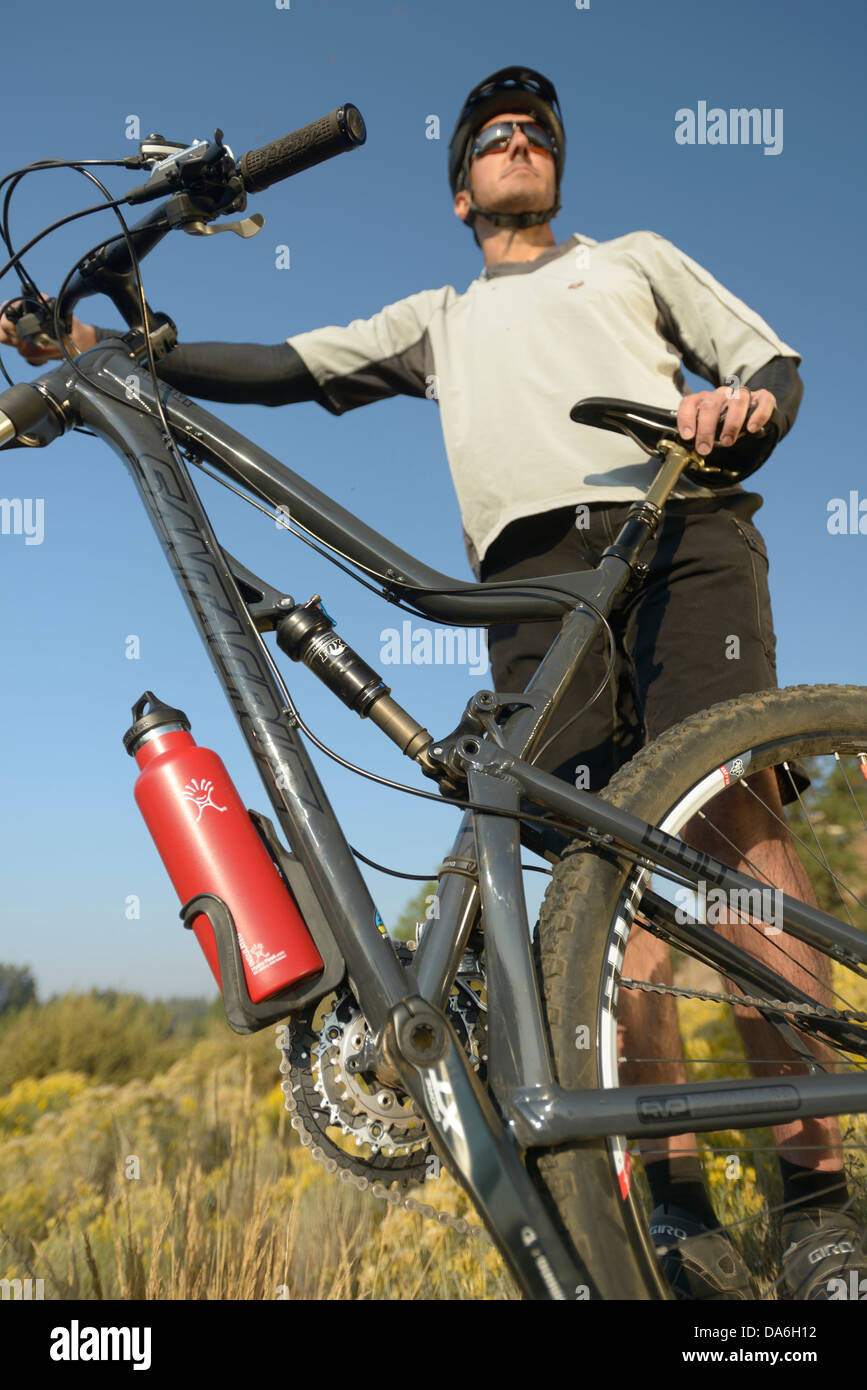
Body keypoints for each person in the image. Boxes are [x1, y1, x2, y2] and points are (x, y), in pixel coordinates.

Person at [1, 66, 860, 1301]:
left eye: (535, 132)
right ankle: (675, 1208)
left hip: (675, 529)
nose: (517, 141)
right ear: (461, 192)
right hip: (528, 581)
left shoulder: (629, 260)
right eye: (493, 135)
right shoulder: (438, 319)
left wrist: (751, 411)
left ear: (554, 165)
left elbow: (769, 360)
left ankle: (817, 1204)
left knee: (733, 833)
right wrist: (103, 351)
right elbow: (289, 365)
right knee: (602, 879)